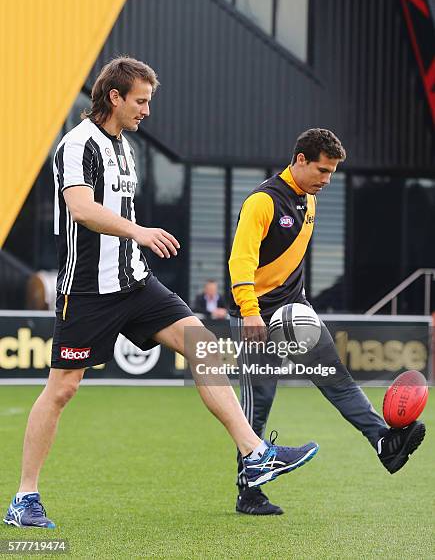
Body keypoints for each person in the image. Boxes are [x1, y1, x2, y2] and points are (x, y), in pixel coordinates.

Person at [4, 57, 319, 529]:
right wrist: (139, 231)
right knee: (62, 389)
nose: (147, 110)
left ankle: (255, 453)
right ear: (115, 97)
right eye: (141, 101)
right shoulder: (77, 144)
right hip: (88, 291)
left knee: (205, 347)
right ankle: (24, 499)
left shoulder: (125, 147)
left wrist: (136, 242)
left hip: (136, 283)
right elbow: (83, 209)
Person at [228, 128, 426, 516]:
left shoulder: (310, 200)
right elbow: (241, 261)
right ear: (300, 159)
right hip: (256, 317)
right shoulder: (262, 202)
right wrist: (250, 311)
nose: (327, 179)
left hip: (295, 311)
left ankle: (384, 444)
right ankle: (248, 491)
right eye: (322, 170)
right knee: (259, 404)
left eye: (333, 172)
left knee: (337, 380)